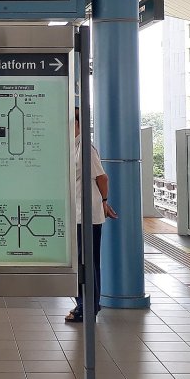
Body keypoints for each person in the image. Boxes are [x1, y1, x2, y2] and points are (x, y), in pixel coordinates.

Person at [66, 107, 117, 324]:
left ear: (77, 123)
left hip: (87, 214)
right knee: (82, 261)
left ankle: (86, 307)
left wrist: (104, 202)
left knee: (87, 261)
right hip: (78, 212)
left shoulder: (86, 148)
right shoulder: (73, 147)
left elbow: (102, 178)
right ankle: (86, 304)